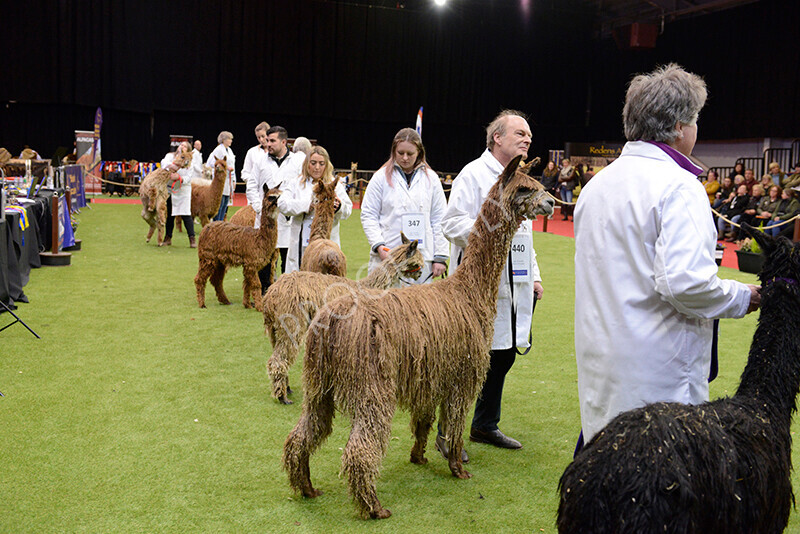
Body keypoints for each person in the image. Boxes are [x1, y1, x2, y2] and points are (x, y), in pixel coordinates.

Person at [573, 64, 760, 447]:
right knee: (657, 486)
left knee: (604, 467)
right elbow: (685, 283)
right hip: (657, 368)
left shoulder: (598, 184)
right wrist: (743, 296)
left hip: (601, 358)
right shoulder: (678, 187)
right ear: (679, 127)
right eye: (695, 120)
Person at [442, 109, 544, 454]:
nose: (527, 139)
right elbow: (451, 222)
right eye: (520, 133)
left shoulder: (520, 178)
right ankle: (447, 431)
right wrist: (488, 233)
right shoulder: (473, 174)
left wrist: (535, 276)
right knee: (465, 358)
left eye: (529, 135)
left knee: (502, 355)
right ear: (497, 137)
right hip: (476, 283)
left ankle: (484, 425)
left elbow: (525, 232)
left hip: (514, 281)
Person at [361, 128, 449, 283]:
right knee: (384, 305)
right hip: (388, 256)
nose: (405, 158)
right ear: (394, 151)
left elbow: (439, 219)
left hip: (421, 259)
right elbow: (369, 214)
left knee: (418, 306)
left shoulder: (432, 179)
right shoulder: (380, 178)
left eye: (410, 154)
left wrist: (440, 257)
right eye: (400, 153)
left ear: (419, 153)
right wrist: (379, 246)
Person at [277, 145, 352, 274]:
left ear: (326, 165)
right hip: (301, 243)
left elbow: (348, 209)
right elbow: (283, 204)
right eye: (313, 163)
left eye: (321, 163)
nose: (317, 167)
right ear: (307, 164)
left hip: (327, 243)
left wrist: (339, 207)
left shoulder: (335, 184)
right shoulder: (296, 183)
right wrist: (307, 205)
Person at [161, 141, 195, 247]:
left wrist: (179, 178)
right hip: (171, 189)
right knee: (170, 215)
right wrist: (170, 167)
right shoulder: (170, 156)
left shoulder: (189, 162)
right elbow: (164, 164)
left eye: (185, 146)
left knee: (186, 214)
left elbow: (189, 177)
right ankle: (168, 237)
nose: (182, 146)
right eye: (181, 145)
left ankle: (192, 239)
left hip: (183, 190)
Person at [207, 131, 236, 221]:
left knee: (225, 203)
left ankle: (221, 223)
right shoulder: (219, 149)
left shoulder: (230, 150)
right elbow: (211, 163)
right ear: (223, 140)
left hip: (228, 180)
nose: (231, 141)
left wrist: (234, 180)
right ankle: (216, 223)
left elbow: (233, 166)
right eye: (229, 139)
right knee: (219, 202)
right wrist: (225, 167)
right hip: (220, 180)